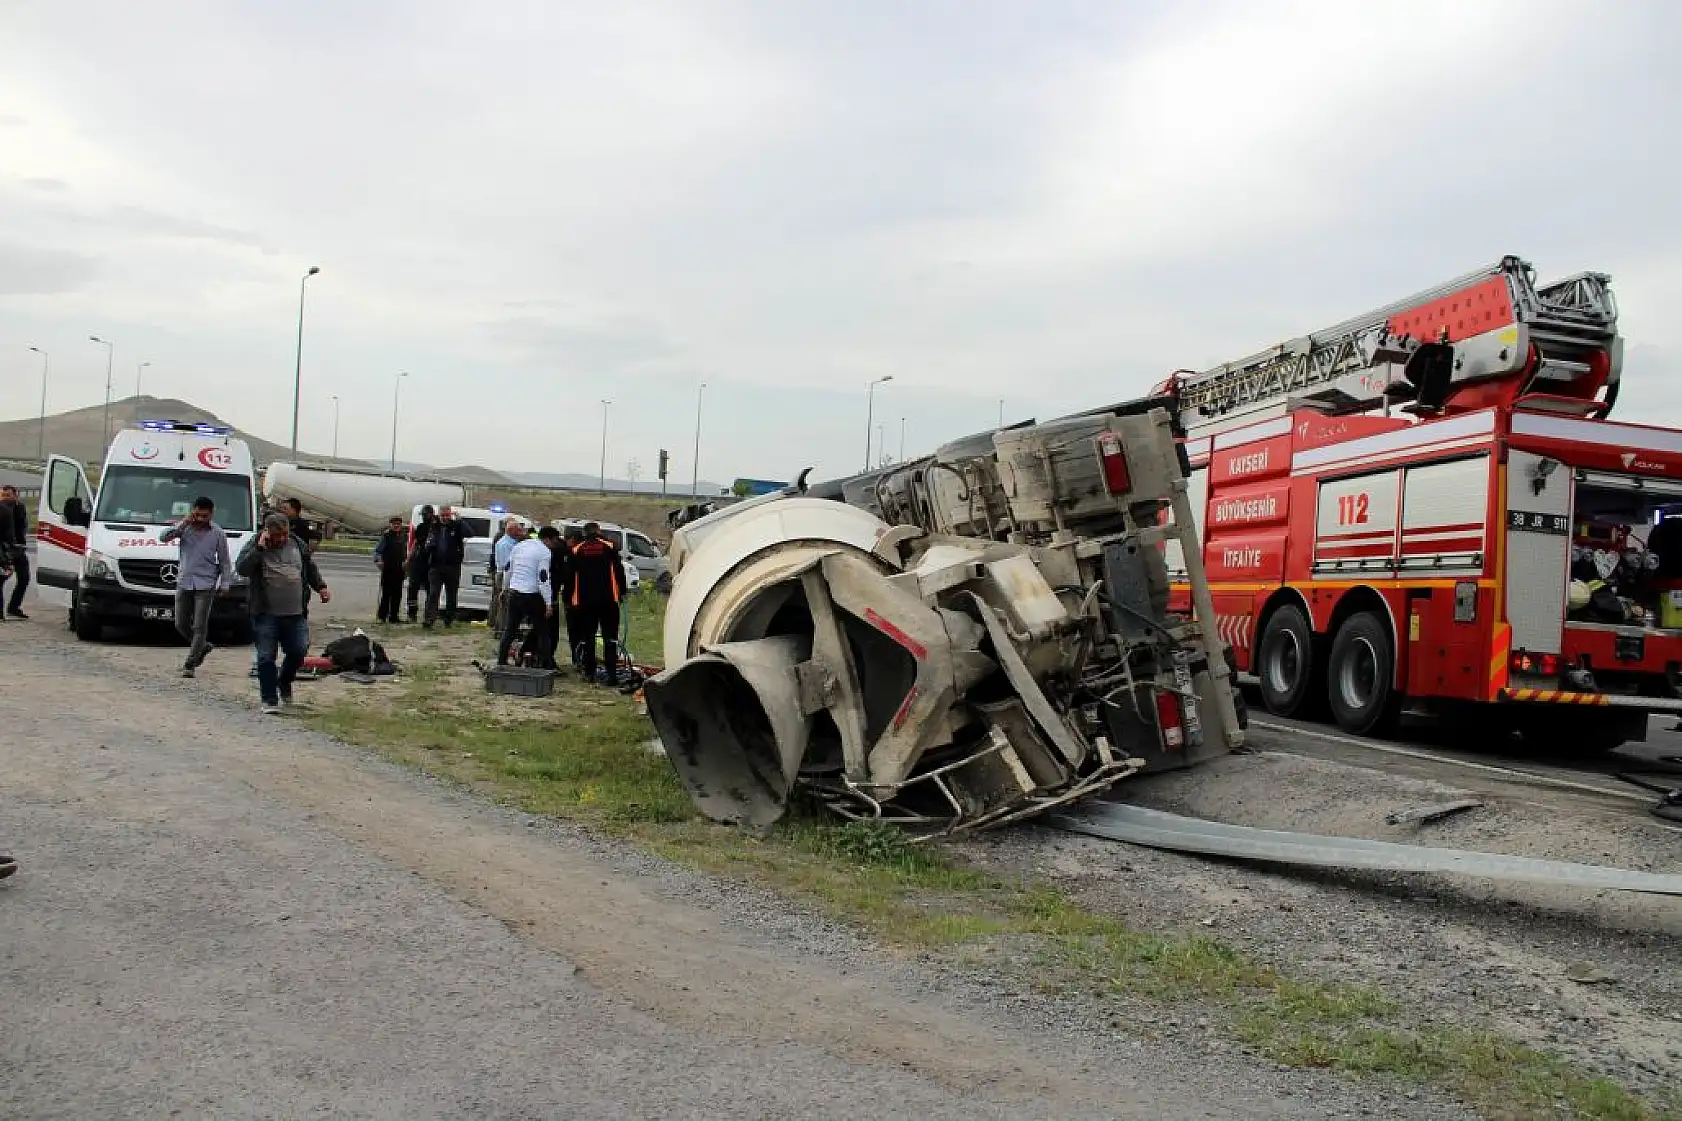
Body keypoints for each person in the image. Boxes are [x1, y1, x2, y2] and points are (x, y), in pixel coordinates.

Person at [236, 513, 330, 715]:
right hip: (266, 613)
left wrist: (321, 587)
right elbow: (241, 569)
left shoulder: (297, 543)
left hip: (295, 612)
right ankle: (269, 700)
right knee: (266, 657)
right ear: (267, 532)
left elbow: (309, 567)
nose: (281, 539)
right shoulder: (255, 545)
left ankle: (284, 681)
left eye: (284, 534)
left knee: (298, 651)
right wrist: (259, 549)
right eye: (276, 535)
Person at [158, 496, 232, 677]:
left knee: (200, 626)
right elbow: (163, 538)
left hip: (206, 585)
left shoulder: (218, 533)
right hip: (185, 582)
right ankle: (202, 646)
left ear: (211, 515)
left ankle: (190, 664)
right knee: (180, 623)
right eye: (197, 515)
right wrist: (183, 523)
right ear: (192, 512)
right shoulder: (184, 528)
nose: (200, 519)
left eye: (204, 516)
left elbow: (224, 561)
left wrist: (225, 584)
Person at [569, 521, 626, 685]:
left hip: (585, 601)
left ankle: (589, 672)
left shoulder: (577, 549)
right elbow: (619, 571)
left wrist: (570, 599)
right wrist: (621, 592)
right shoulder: (609, 546)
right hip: (609, 600)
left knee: (588, 637)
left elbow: (570, 576)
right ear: (598, 531)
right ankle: (611, 675)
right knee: (610, 638)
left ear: (585, 533)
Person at [497, 525, 555, 667]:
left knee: (510, 629)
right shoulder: (544, 552)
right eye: (553, 541)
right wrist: (548, 603)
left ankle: (501, 660)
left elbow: (508, 569)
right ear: (547, 539)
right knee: (542, 631)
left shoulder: (519, 547)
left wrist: (504, 589)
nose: (554, 545)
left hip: (515, 593)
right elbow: (543, 579)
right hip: (532, 595)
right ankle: (544, 664)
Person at [423, 504, 468, 628]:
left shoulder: (456, 526)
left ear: (450, 514)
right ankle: (429, 619)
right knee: (433, 593)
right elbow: (427, 542)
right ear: (439, 515)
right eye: (442, 515)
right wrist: (429, 546)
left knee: (451, 594)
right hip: (436, 566)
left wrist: (460, 520)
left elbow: (470, 533)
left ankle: (449, 620)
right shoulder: (434, 526)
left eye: (447, 515)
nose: (445, 518)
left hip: (452, 566)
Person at [490, 518, 525, 634]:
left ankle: (502, 628)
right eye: (518, 530)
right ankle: (502, 629)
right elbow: (507, 565)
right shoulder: (506, 544)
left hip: (506, 574)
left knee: (505, 603)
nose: (521, 533)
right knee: (505, 603)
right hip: (505, 575)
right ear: (511, 531)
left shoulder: (510, 542)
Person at [372, 515, 409, 624]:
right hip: (388, 568)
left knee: (397, 594)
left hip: (399, 568)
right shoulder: (386, 536)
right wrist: (378, 561)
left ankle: (394, 616)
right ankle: (382, 616)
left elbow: (407, 551)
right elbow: (378, 551)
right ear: (391, 525)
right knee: (386, 594)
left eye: (398, 524)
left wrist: (407, 566)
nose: (396, 525)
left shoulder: (404, 536)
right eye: (394, 524)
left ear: (401, 525)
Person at [0, 484, 29, 619]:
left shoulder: (20, 508)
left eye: (8, 495)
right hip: (6, 549)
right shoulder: (3, 509)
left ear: (15, 495)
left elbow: (22, 527)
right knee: (2, 578)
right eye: (3, 495)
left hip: (18, 548)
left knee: (24, 578)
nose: (5, 498)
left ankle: (14, 607)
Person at [406, 505, 436, 623]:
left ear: (431, 515)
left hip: (431, 563)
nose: (424, 517)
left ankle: (428, 616)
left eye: (425, 515)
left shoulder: (436, 528)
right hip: (418, 563)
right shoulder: (420, 527)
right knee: (413, 588)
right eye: (423, 515)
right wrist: (408, 559)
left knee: (430, 590)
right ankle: (412, 614)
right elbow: (415, 544)